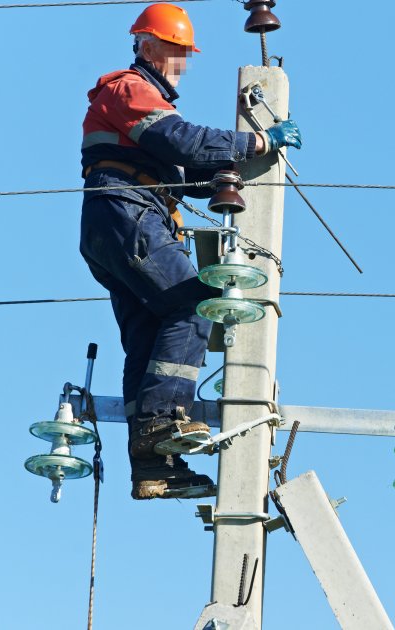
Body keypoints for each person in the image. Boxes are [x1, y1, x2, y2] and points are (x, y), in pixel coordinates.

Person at [78, 3, 302, 500]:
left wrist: (224, 171)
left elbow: (184, 169)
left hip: (117, 221)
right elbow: (183, 143)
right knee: (195, 302)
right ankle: (162, 422)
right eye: (176, 51)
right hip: (128, 213)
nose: (181, 63)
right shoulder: (128, 88)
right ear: (146, 44)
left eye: (185, 55)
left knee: (149, 334)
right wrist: (259, 141)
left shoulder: (140, 105)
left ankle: (153, 466)